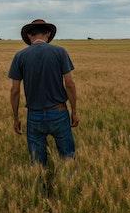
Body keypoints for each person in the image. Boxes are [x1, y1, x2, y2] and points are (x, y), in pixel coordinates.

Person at [8, 19, 79, 166]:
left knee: (37, 163)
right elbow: (70, 84)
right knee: (68, 158)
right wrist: (74, 111)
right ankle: (67, 186)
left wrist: (15, 118)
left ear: (29, 35)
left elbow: (15, 91)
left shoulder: (20, 56)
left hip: (34, 115)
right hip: (59, 112)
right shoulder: (60, 52)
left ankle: (41, 187)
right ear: (47, 34)